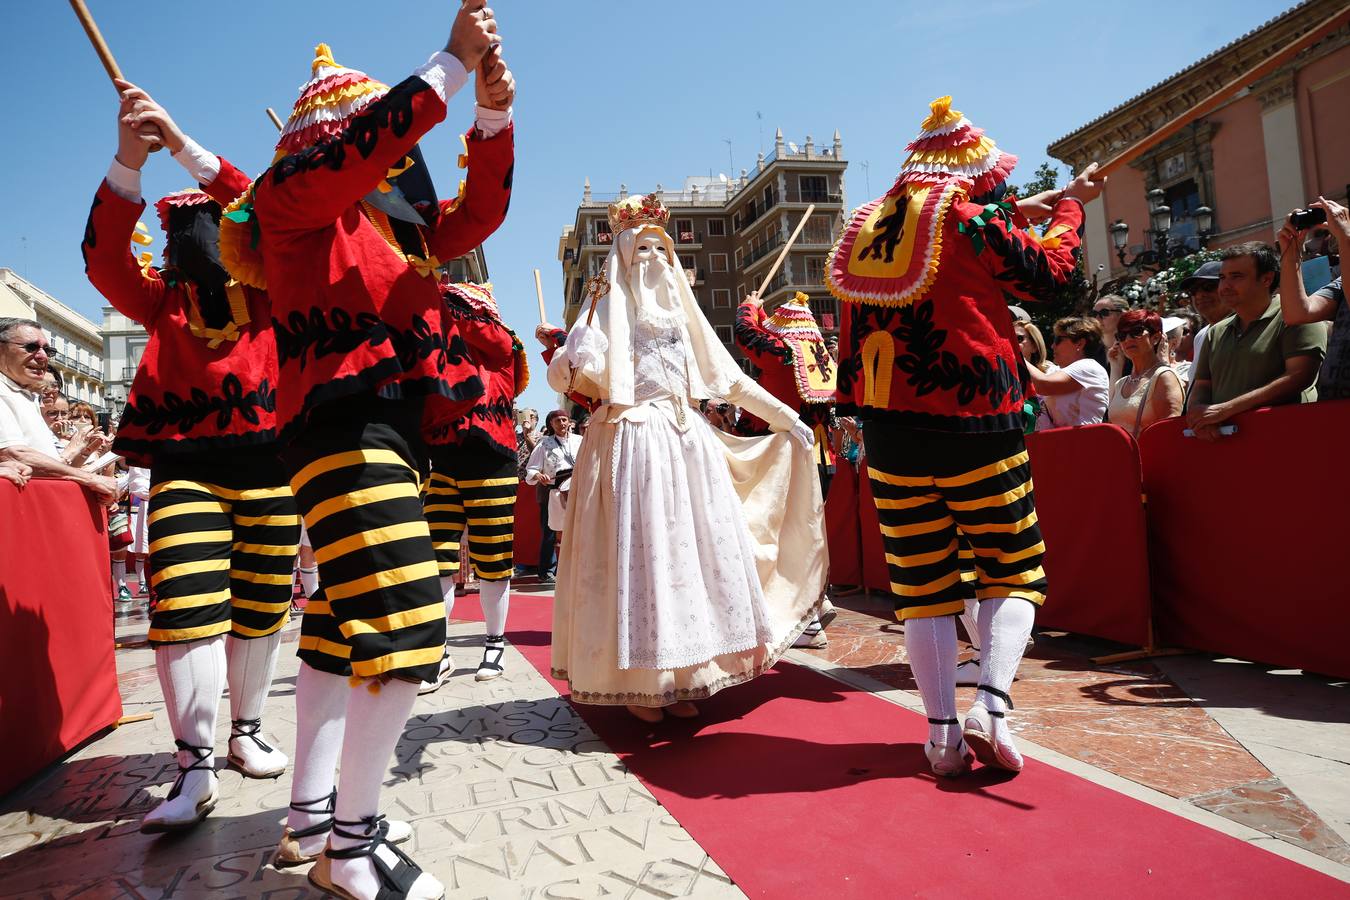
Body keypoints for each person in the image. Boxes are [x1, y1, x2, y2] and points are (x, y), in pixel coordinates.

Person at [210, 18, 512, 896]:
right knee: (410, 621)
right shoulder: (293, 199)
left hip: (387, 429)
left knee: (343, 630)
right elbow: (361, 151)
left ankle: (313, 816)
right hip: (343, 423)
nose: (397, 172)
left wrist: (490, 119)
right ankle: (351, 842)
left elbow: (479, 214)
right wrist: (451, 64)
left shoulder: (392, 228)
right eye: (380, 152)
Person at [826, 96, 1102, 776]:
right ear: (973, 176)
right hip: (975, 420)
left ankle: (943, 737)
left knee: (923, 587)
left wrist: (1022, 211)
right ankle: (993, 708)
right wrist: (1071, 210)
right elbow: (1052, 275)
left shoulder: (864, 223)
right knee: (1013, 567)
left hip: (889, 431)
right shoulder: (968, 217)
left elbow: (957, 242)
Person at [83, 82, 304, 834]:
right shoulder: (159, 303)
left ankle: (245, 731)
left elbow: (263, 201)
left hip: (271, 463)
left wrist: (180, 142)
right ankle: (194, 765)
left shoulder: (275, 290)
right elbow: (103, 254)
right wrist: (126, 160)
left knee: (263, 607)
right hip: (184, 468)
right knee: (182, 609)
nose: (204, 241)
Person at [547, 192, 825, 723]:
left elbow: (728, 378)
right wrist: (571, 357)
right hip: (632, 443)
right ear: (624, 253)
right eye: (642, 248)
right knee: (645, 558)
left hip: (686, 443)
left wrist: (787, 417)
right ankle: (642, 682)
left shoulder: (681, 318)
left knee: (690, 561)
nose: (653, 257)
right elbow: (566, 376)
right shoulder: (602, 310)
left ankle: (686, 673)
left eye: (661, 248)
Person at [420, 281, 528, 693]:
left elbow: (487, 337)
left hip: (490, 462)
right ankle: (439, 651)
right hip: (444, 461)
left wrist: (436, 295)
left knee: (493, 561)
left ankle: (495, 644)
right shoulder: (438, 348)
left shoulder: (502, 339)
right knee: (438, 561)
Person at [733, 290, 837, 648]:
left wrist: (750, 306)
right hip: (820, 459)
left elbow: (746, 335)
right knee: (807, 536)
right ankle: (815, 605)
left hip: (782, 459)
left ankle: (806, 613)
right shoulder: (819, 358)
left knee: (777, 538)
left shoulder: (784, 354)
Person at [1186, 242, 1327, 441]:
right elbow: (1201, 386)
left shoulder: (1297, 317)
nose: (1225, 286)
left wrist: (1225, 410)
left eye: (1236, 277)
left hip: (1287, 440)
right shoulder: (1215, 332)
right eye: (1222, 278)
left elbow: (1299, 376)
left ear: (1267, 279)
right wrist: (1199, 416)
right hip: (1227, 446)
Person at [0, 318, 117, 500]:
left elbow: (41, 462)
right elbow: (14, 455)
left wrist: (78, 453)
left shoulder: (25, 395)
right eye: (31, 347)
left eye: (47, 350)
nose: (42, 356)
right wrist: (88, 478)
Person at [1277, 197, 1349, 402]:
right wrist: (1291, 252)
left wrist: (1346, 238)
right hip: (1333, 408)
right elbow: (1297, 313)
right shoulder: (1344, 280)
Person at [1105, 310, 1184, 438]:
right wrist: (1115, 366)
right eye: (1122, 335)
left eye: (1136, 332)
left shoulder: (1164, 377)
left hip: (1151, 456)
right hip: (1121, 457)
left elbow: (1170, 432)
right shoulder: (1121, 383)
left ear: (1156, 337)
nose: (1128, 339)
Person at [524, 409, 581, 584]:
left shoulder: (581, 441)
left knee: (579, 531)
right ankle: (547, 570)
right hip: (553, 493)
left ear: (570, 422)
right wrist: (538, 476)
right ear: (551, 424)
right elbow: (531, 469)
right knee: (550, 532)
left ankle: (578, 569)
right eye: (557, 421)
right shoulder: (544, 444)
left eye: (564, 420)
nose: (562, 424)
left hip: (578, 491)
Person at [1034, 317, 1109, 429]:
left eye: (1058, 340)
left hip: (1081, 443)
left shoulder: (1089, 367)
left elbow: (1043, 384)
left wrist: (1013, 352)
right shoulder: (1056, 370)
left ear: (1080, 343)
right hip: (1062, 442)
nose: (1052, 346)